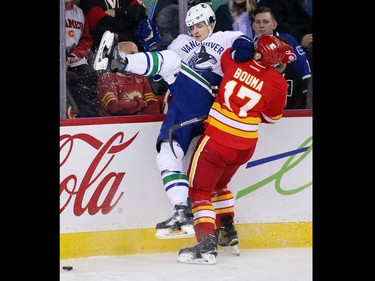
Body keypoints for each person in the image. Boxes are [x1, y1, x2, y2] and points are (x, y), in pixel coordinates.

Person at [93, 3, 254, 240]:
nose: (195, 30)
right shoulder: (180, 42)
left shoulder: (226, 37)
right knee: (166, 155)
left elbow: (249, 44)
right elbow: (160, 67)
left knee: (173, 61)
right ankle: (180, 212)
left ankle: (120, 63)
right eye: (192, 26)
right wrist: (150, 53)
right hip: (183, 104)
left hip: (208, 94)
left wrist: (245, 47)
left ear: (212, 23)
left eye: (200, 25)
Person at [176, 34, 296, 265]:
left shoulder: (235, 62)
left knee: (200, 191)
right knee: (220, 185)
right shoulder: (278, 83)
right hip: (244, 146)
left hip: (217, 141)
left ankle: (206, 244)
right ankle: (228, 231)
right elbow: (272, 119)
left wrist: (237, 51)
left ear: (258, 53)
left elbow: (225, 56)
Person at [252, 5, 311, 97]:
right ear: (253, 25)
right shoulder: (249, 45)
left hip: (289, 89)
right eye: (258, 22)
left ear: (274, 24)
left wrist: (306, 93)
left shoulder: (287, 41)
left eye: (266, 22)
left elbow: (303, 67)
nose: (262, 26)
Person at [96, 41, 161, 116]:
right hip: (115, 126)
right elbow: (114, 107)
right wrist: (141, 104)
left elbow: (154, 107)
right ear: (118, 56)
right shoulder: (107, 77)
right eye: (132, 54)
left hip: (140, 126)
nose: (137, 58)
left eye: (137, 54)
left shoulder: (141, 78)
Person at [65, 0, 99, 118]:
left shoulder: (79, 13)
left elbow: (86, 39)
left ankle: (86, 116)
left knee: (88, 79)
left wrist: (76, 53)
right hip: (62, 58)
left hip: (74, 58)